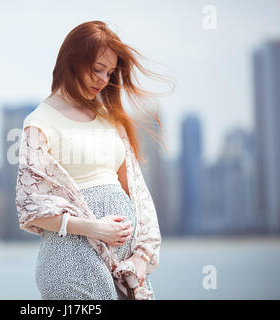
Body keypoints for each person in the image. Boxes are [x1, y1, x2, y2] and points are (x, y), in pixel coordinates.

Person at [16, 20, 174, 300]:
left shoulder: (111, 119)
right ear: (73, 61)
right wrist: (95, 228)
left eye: (110, 72)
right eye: (97, 68)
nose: (103, 79)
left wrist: (141, 256)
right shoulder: (39, 122)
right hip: (71, 262)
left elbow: (136, 194)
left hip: (124, 269)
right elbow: (31, 207)